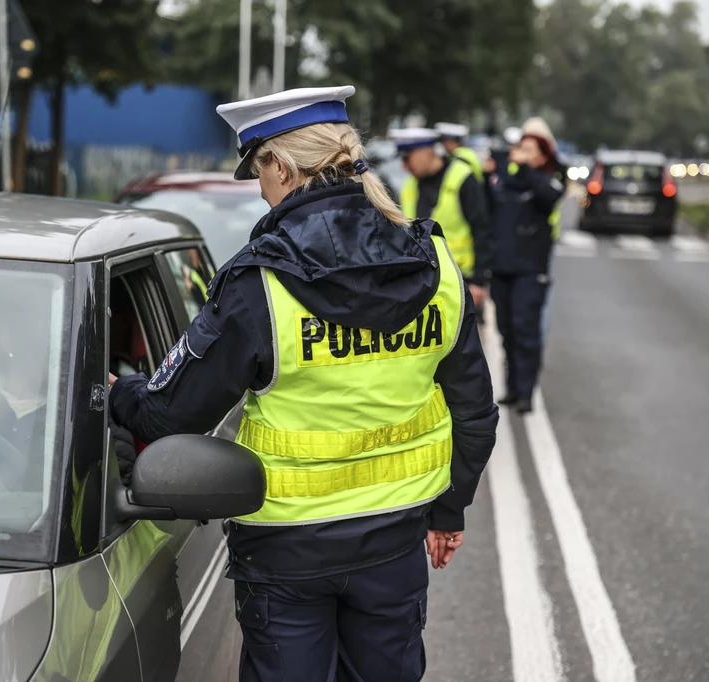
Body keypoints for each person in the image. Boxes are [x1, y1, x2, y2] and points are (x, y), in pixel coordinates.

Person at [109, 85, 498, 682]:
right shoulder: (435, 264)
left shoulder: (258, 283)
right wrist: (449, 511)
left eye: (258, 172)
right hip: (395, 542)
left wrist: (115, 391)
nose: (259, 191)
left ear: (283, 168)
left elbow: (168, 416)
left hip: (286, 554)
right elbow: (475, 411)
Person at [488, 116, 566, 414]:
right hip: (502, 267)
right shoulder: (510, 179)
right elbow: (491, 201)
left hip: (531, 270)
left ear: (544, 156)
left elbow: (549, 196)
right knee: (507, 330)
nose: (522, 154)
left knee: (526, 331)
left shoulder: (547, 179)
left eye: (531, 150)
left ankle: (526, 392)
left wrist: (527, 166)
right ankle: (511, 387)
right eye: (522, 148)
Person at [394, 127, 492, 324]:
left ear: (427, 151)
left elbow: (482, 229)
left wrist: (479, 281)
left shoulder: (462, 177)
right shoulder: (410, 186)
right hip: (423, 281)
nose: (405, 167)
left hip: (460, 280)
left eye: (407, 158)